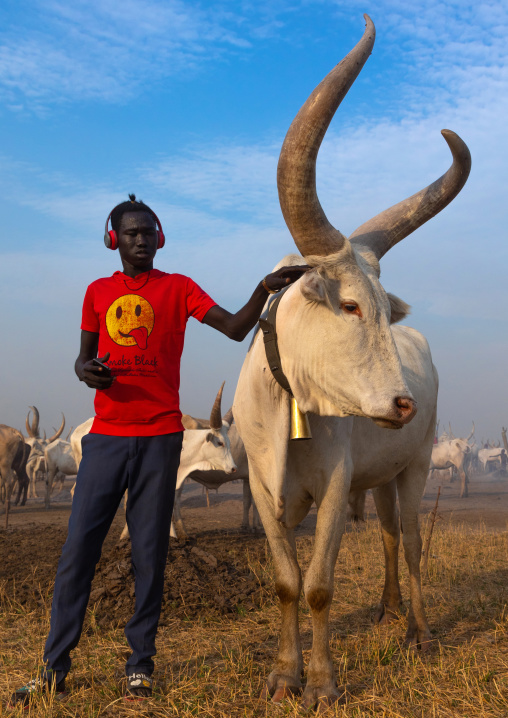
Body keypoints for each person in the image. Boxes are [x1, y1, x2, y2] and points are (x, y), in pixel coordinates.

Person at [10, 195, 307, 708]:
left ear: (160, 237)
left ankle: (139, 667)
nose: (141, 239)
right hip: (104, 440)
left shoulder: (180, 288)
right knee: (77, 553)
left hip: (159, 439)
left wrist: (263, 288)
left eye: (149, 231)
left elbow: (236, 328)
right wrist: (88, 373)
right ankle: (53, 669)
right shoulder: (97, 292)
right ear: (114, 240)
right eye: (131, 233)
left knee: (150, 555)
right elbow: (81, 361)